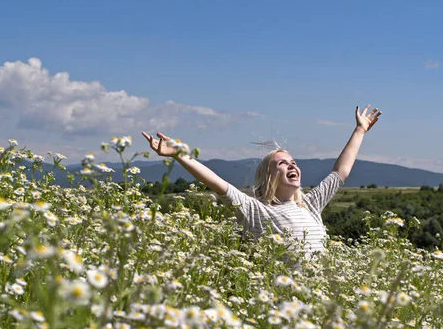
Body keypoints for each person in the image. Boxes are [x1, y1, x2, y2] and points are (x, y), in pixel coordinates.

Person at [142, 105, 381, 257]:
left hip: (315, 300)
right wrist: (179, 154)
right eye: (282, 163)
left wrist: (360, 130)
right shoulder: (256, 211)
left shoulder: (310, 205)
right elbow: (217, 183)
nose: (292, 165)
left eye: (294, 162)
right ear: (269, 176)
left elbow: (341, 171)